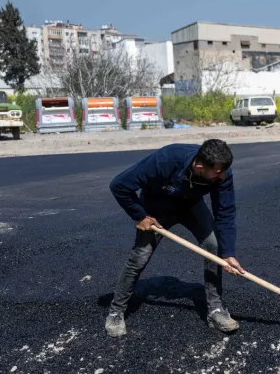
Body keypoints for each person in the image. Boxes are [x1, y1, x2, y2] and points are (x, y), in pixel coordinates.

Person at [104, 139, 244, 337]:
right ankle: (116, 311)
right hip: (156, 209)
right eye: (217, 173)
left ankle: (215, 310)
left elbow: (225, 212)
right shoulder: (167, 159)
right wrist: (139, 216)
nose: (222, 176)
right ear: (200, 166)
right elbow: (119, 185)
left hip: (191, 206)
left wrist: (228, 253)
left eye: (223, 171)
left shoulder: (222, 171)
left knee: (214, 247)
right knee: (140, 257)